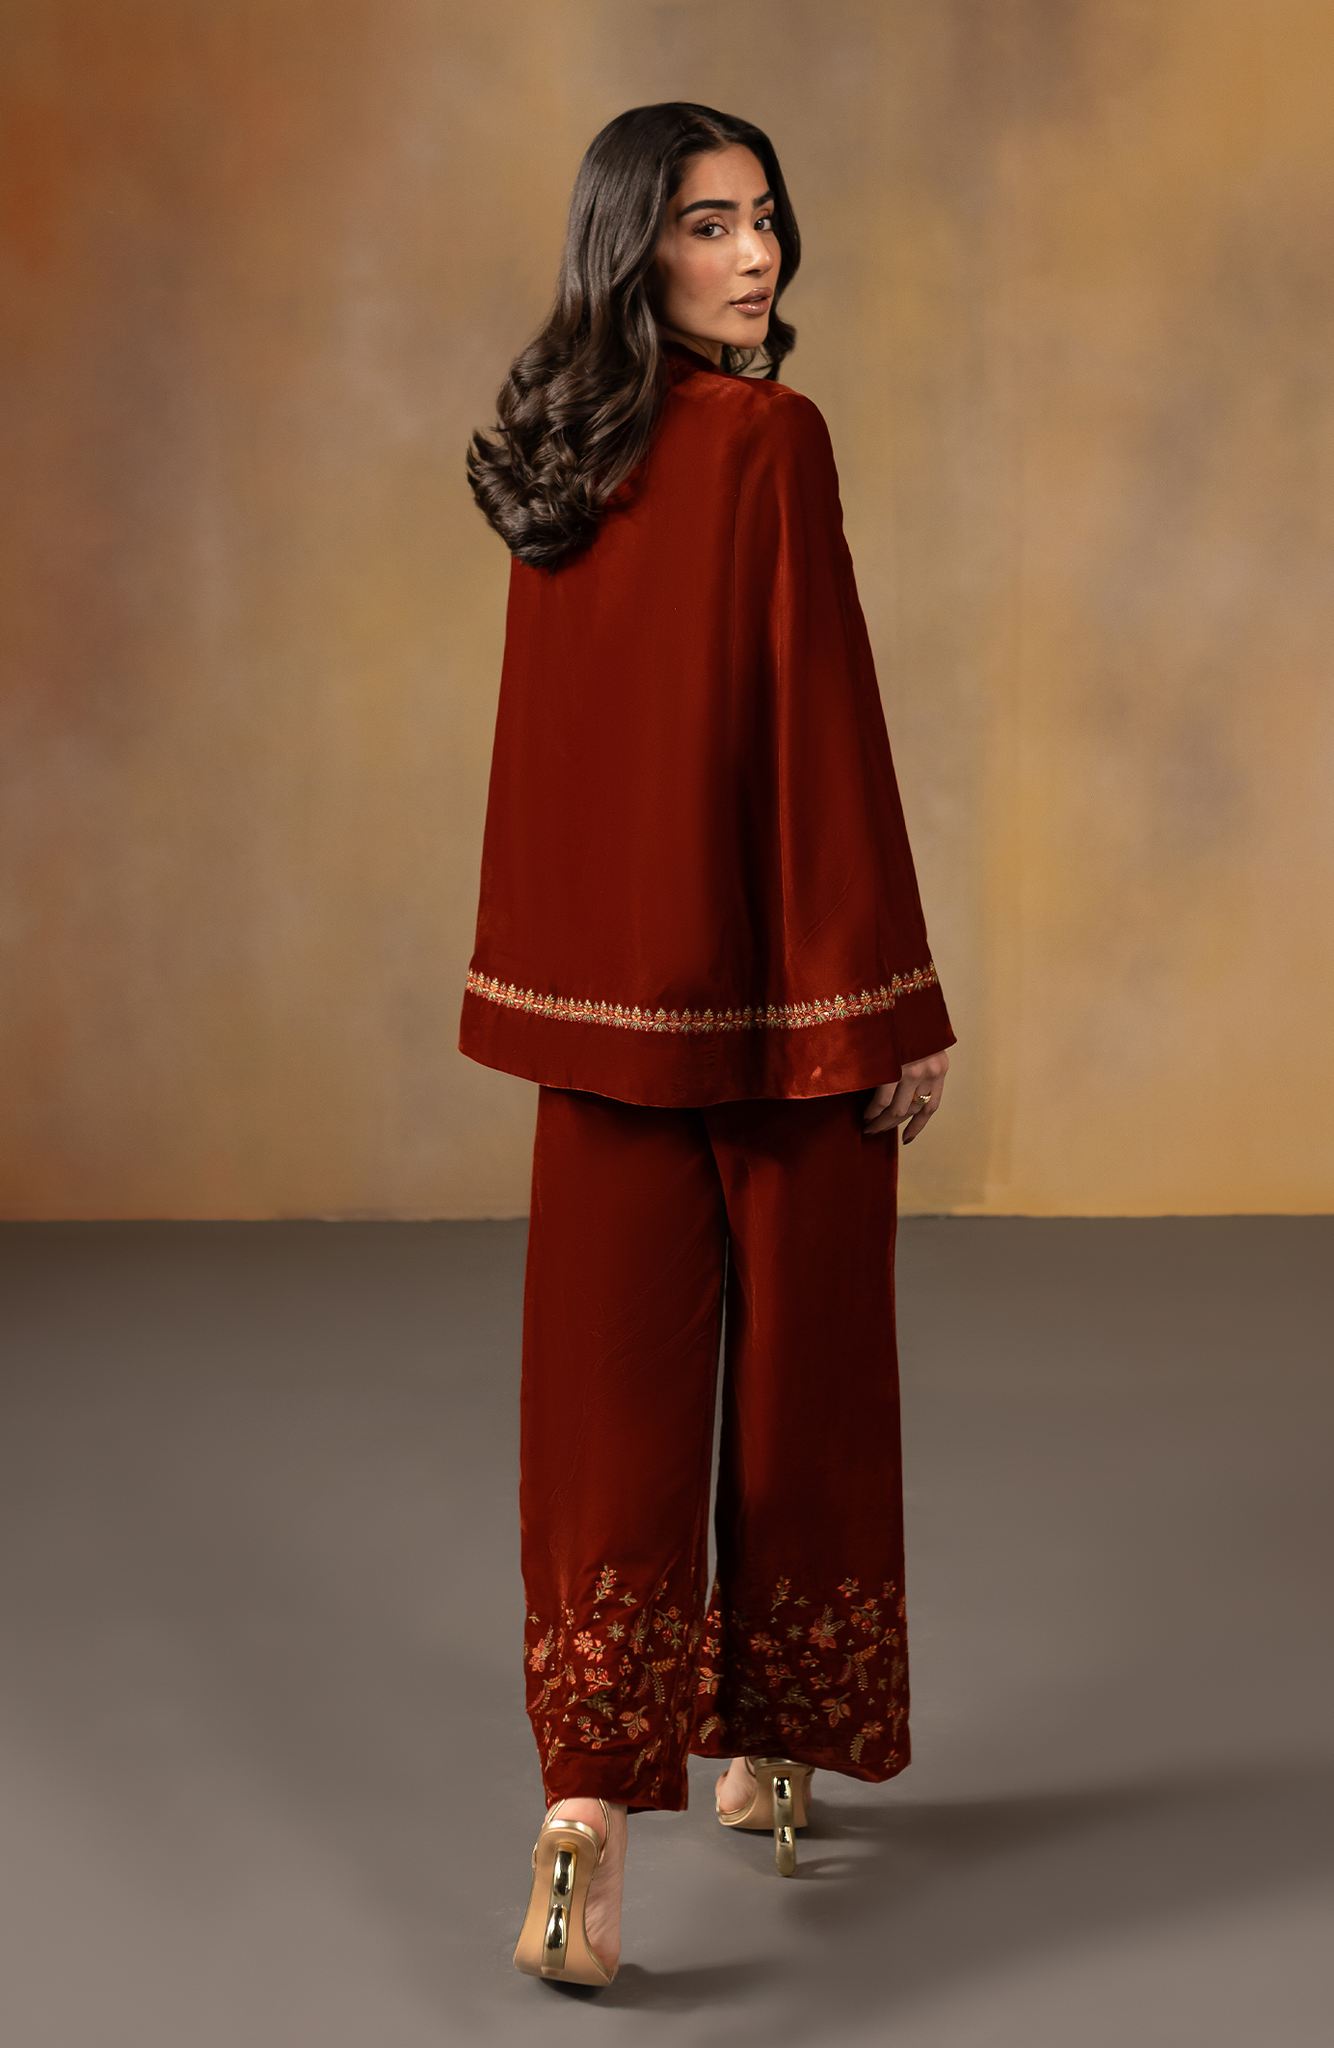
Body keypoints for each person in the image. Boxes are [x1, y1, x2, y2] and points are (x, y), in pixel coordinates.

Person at [462, 102, 953, 1988]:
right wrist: (891, 1003)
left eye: (764, 220)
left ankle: (581, 1821)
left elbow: (563, 759)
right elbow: (821, 726)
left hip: (597, 1023)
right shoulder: (769, 440)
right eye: (706, 226)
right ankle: (769, 1751)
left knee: (604, 1422)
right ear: (632, 247)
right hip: (781, 1010)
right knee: (802, 1392)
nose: (754, 258)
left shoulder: (556, 452)